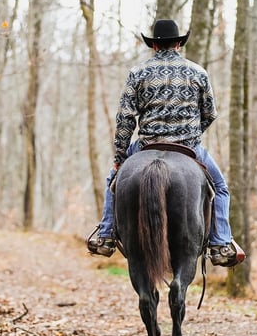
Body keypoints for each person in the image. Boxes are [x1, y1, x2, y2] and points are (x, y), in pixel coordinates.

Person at [86, 19, 244, 267]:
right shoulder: (198, 72)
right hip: (187, 145)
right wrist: (190, 132)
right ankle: (220, 242)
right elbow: (210, 113)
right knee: (221, 188)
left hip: (146, 144)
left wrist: (119, 159)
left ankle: (105, 235)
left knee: (112, 182)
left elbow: (125, 118)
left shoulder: (138, 73)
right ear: (179, 43)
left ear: (154, 46)